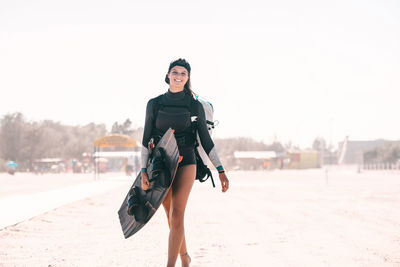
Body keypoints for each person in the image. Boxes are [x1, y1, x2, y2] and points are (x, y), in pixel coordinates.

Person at [140, 58, 229, 267]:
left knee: (178, 214)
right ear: (168, 75)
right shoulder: (154, 103)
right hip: (161, 165)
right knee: (171, 216)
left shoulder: (193, 105)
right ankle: (185, 257)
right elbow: (145, 140)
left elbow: (206, 141)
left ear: (188, 78)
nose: (178, 76)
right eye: (175, 72)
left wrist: (220, 169)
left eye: (183, 74)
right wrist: (143, 169)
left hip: (187, 161)